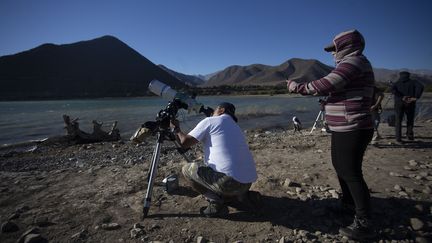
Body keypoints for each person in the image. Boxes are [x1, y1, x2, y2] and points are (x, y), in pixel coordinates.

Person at [286, 29, 376, 240]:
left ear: (346, 46)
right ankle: (348, 205)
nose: (331, 53)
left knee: (351, 172)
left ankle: (364, 222)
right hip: (344, 127)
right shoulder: (352, 63)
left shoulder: (353, 62)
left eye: (334, 48)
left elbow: (325, 84)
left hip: (353, 126)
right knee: (340, 166)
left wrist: (295, 87)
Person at [170, 102, 258, 217]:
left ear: (221, 110)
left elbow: (185, 143)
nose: (211, 115)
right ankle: (240, 196)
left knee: (187, 169)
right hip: (247, 184)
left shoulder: (210, 121)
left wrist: (176, 129)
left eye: (214, 112)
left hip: (230, 184)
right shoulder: (236, 126)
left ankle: (215, 201)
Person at [392, 71, 424, 143]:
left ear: (400, 75)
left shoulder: (397, 83)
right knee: (410, 120)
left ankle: (398, 138)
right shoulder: (413, 82)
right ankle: (409, 136)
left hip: (399, 103)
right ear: (408, 76)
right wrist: (416, 97)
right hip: (410, 103)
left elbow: (393, 90)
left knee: (398, 121)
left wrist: (401, 97)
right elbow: (421, 86)